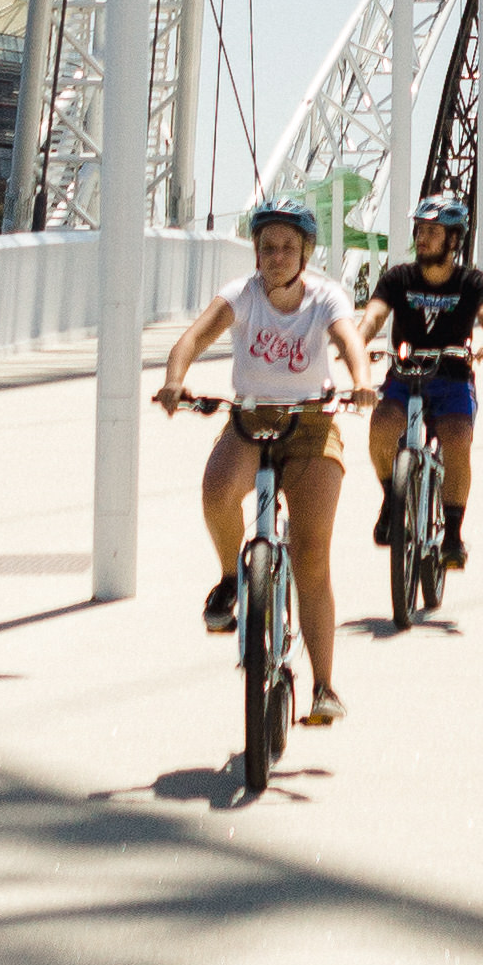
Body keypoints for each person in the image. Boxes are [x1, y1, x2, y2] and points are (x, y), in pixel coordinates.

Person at [153, 199, 365, 725]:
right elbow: (193, 338)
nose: (275, 256)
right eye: (266, 247)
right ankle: (230, 578)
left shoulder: (325, 297)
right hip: (250, 418)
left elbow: (348, 340)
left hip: (312, 423)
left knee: (312, 557)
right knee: (217, 491)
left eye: (287, 248)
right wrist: (175, 381)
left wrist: (360, 382)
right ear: (255, 252)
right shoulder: (242, 296)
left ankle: (323, 687)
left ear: (305, 254)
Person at [365, 196, 483, 570]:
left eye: (432, 231)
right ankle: (392, 500)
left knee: (458, 439)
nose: (422, 238)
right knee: (380, 429)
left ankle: (454, 535)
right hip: (404, 376)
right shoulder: (399, 278)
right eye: (420, 230)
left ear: (453, 240)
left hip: (451, 380)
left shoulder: (471, 282)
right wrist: (358, 339)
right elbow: (374, 314)